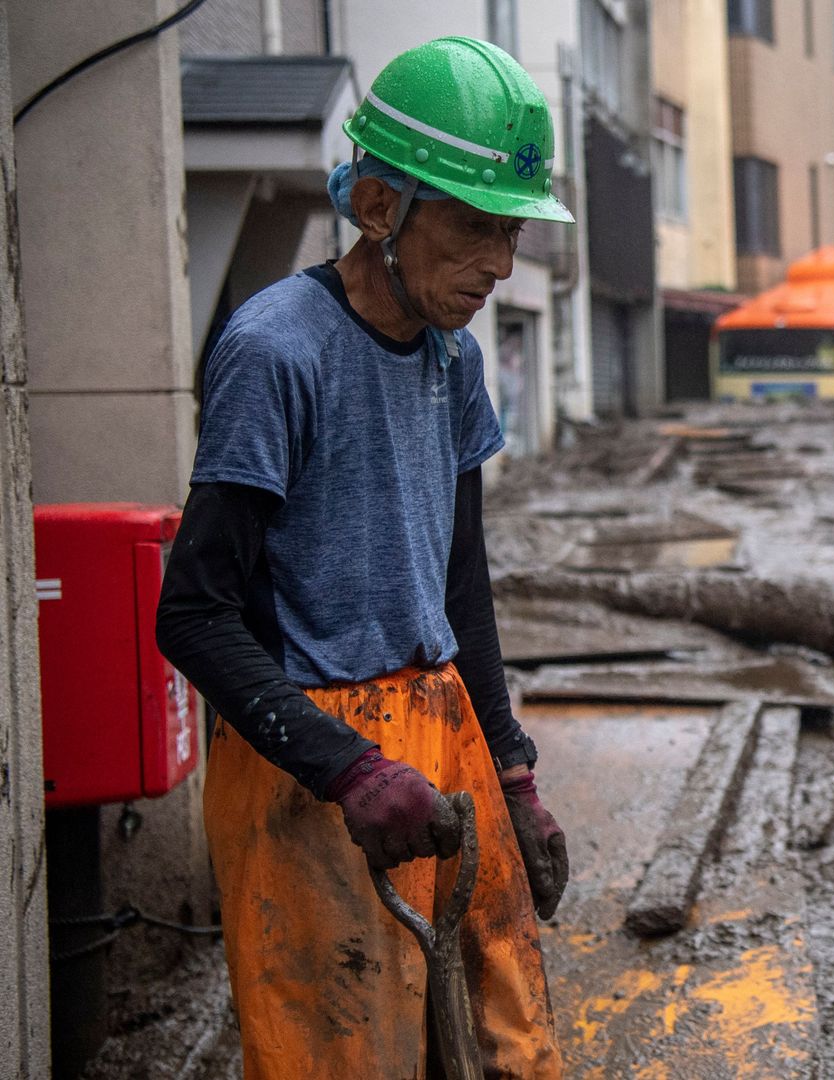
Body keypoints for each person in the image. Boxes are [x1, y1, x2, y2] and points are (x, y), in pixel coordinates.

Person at [156, 37, 572, 1078]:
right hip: (314, 755)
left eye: (512, 233)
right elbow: (193, 613)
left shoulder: (453, 356)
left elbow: (459, 582)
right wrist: (345, 767)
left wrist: (512, 770)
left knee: (504, 1039)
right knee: (347, 1055)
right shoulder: (277, 352)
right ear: (381, 207)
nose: (499, 267)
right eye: (475, 227)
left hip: (441, 728)